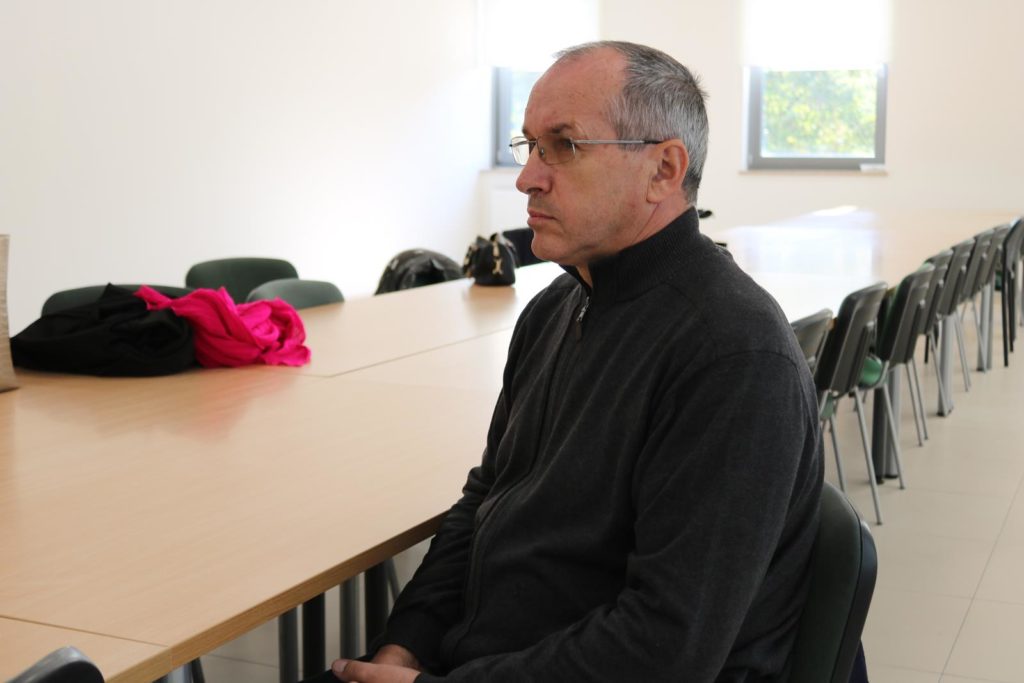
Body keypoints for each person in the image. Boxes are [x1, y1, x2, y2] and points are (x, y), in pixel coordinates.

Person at [325, 40, 823, 683]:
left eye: (563, 145)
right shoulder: (557, 307)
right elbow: (487, 497)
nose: (528, 177)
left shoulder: (732, 354)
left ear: (663, 170)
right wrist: (407, 642)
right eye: (530, 145)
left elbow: (667, 647)